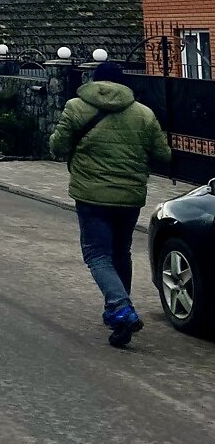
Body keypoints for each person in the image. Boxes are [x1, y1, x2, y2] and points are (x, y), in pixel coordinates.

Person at [49, 61, 172, 348]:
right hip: (129, 197)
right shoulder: (144, 114)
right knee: (120, 252)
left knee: (97, 255)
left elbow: (57, 146)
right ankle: (119, 314)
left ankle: (120, 307)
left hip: (91, 196)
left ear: (95, 82)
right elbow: (163, 155)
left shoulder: (76, 108)